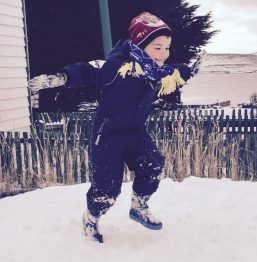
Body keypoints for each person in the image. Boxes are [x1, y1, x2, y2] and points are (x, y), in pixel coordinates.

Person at [28, 12, 202, 243]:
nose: (164, 54)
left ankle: (138, 206)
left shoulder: (155, 70)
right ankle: (91, 217)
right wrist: (59, 78)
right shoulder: (116, 67)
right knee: (107, 191)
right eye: (158, 48)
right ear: (141, 44)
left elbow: (176, 71)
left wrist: (193, 69)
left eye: (167, 48)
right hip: (107, 135)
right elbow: (87, 70)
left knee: (153, 165)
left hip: (135, 132)